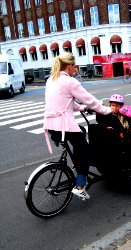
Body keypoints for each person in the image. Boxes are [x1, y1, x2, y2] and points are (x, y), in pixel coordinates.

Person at [43, 52, 112, 201]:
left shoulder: (51, 80)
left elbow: (64, 101)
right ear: (69, 66)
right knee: (86, 152)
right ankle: (80, 186)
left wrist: (80, 108)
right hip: (64, 125)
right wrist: (106, 110)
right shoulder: (70, 82)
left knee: (80, 132)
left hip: (51, 125)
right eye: (75, 67)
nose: (75, 70)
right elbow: (90, 100)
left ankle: (77, 162)